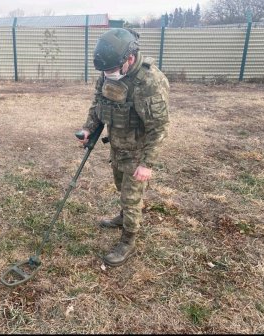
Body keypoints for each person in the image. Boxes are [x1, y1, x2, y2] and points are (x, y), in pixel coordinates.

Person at [78, 28, 169, 267]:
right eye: (104, 72)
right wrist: (89, 128)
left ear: (129, 58)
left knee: (131, 197)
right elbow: (98, 103)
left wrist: (147, 164)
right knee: (121, 187)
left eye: (111, 70)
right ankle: (123, 218)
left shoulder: (149, 82)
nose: (108, 75)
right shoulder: (109, 72)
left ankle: (128, 240)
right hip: (117, 146)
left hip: (138, 151)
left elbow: (158, 127)